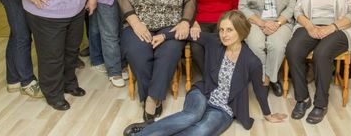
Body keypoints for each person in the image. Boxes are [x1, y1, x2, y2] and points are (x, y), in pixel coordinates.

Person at [122, 10, 287, 136]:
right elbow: (187, 35)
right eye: (221, 29)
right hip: (203, 92)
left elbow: (259, 89)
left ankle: (153, 130)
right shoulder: (214, 41)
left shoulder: (252, 61)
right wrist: (165, 36)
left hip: (224, 108)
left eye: (229, 30)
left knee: (200, 131)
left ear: (241, 31)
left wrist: (268, 114)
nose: (224, 34)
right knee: (191, 116)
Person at [118, 0, 196, 121]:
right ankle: (153, 96)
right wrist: (135, 22)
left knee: (167, 54)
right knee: (138, 53)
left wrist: (185, 22)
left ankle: (152, 99)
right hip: (138, 24)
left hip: (170, 26)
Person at [239, 0, 295, 97]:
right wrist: (261, 23)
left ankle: (270, 78)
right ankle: (265, 78)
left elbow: (292, 6)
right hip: (256, 21)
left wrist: (277, 23)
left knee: (276, 45)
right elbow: (242, 6)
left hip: (281, 21)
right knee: (256, 45)